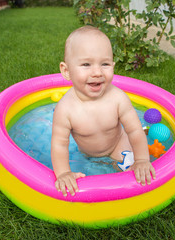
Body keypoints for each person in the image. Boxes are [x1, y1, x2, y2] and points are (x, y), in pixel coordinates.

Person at [51, 26, 155, 197]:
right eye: (86, 64)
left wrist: (142, 159)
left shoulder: (118, 98)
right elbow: (59, 144)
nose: (97, 72)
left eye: (105, 64)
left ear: (113, 66)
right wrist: (63, 173)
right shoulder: (65, 109)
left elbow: (134, 130)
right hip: (85, 153)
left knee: (133, 174)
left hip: (118, 145)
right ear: (66, 71)